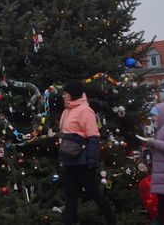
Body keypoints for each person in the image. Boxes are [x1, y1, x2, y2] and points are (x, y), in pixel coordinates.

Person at [59, 80, 116, 225]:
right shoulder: (67, 111)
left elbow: (93, 136)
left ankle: (111, 221)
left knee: (94, 193)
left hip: (82, 161)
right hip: (68, 160)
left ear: (72, 94)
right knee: (71, 196)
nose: (63, 96)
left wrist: (92, 160)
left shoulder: (85, 111)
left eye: (65, 93)